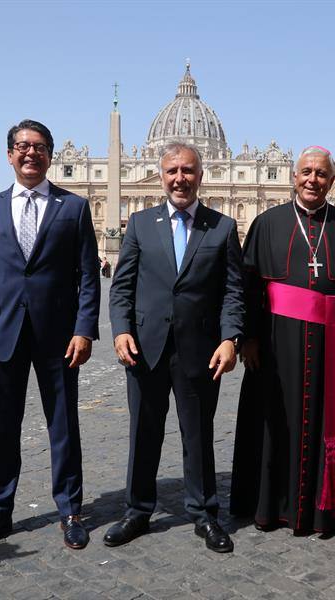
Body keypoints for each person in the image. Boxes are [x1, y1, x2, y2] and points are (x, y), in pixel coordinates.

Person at [0, 119, 100, 551]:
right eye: (21, 146)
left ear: (50, 155)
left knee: (64, 425)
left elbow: (88, 276)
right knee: (2, 427)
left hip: (58, 334)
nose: (29, 153)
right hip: (1, 332)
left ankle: (70, 509)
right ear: (9, 155)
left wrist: (85, 329)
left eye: (38, 146)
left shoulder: (72, 207)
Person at [229, 146, 335, 534]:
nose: (313, 180)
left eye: (322, 174)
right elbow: (248, 288)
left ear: (331, 180)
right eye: (306, 172)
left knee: (328, 423)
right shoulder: (267, 223)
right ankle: (271, 506)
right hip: (276, 345)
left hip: (333, 343)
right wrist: (249, 339)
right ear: (295, 176)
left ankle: (326, 509)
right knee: (273, 424)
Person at [107, 142, 244, 553]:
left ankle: (204, 513)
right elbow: (122, 288)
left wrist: (229, 337)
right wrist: (120, 330)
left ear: (200, 176)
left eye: (187, 170)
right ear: (161, 175)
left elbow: (233, 291)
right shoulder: (139, 223)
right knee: (143, 432)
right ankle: (137, 510)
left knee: (199, 434)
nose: (179, 178)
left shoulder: (221, 227)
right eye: (172, 171)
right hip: (144, 346)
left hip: (200, 348)